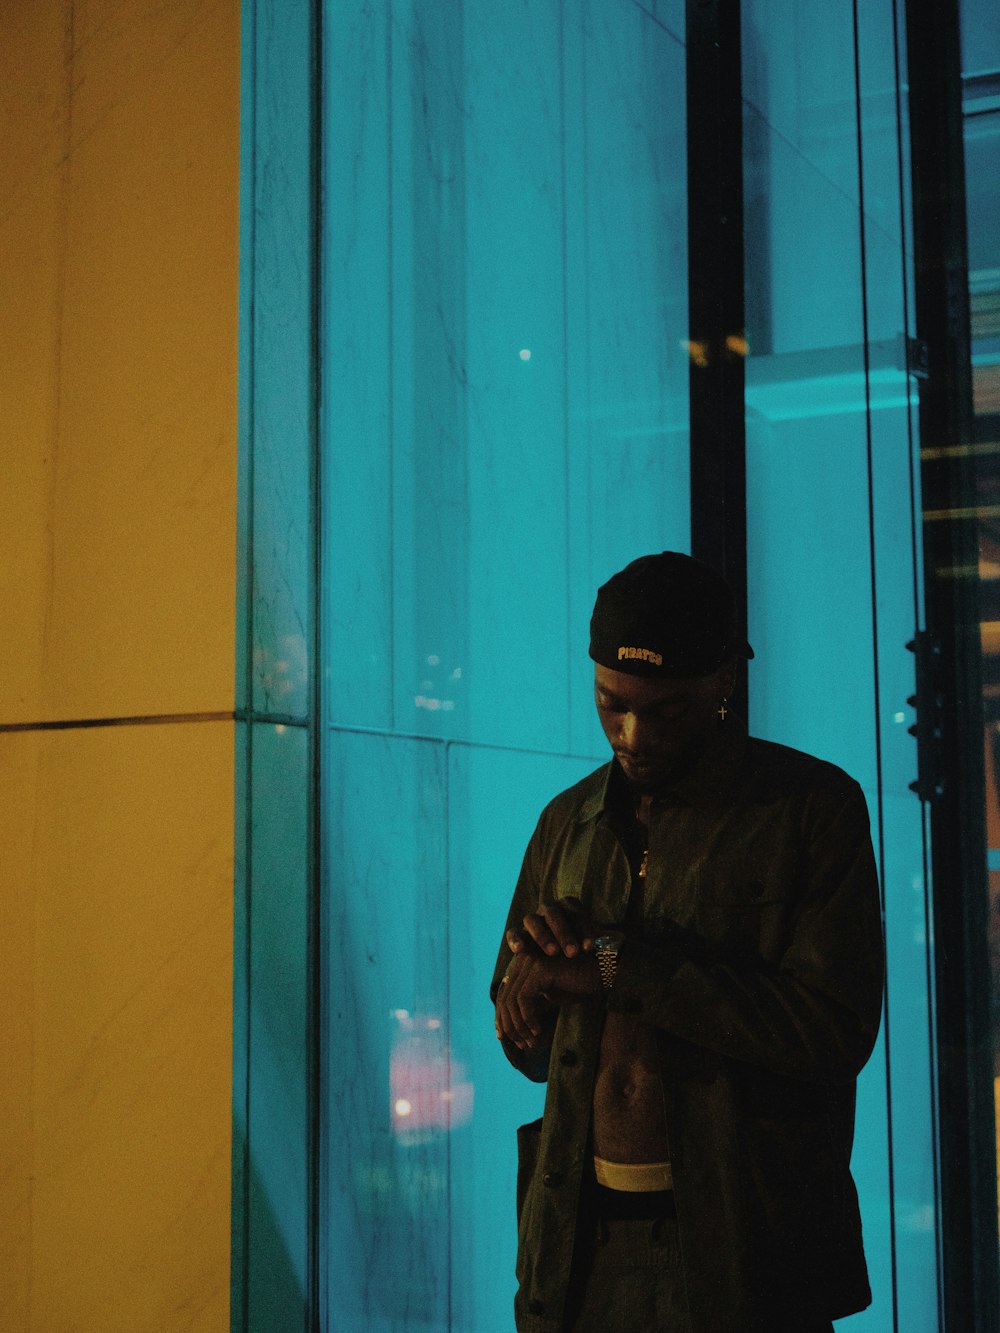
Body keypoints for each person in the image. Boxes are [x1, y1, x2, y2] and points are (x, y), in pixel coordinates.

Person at [492, 552, 884, 1332]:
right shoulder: (565, 822)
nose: (632, 735)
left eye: (665, 712)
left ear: (724, 686)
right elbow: (527, 1050)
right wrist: (526, 988)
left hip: (746, 1254)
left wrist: (613, 967)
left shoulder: (809, 809)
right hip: (577, 1249)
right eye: (611, 704)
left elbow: (832, 1030)